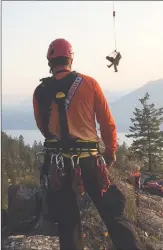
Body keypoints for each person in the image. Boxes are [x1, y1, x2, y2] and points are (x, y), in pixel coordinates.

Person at [33, 38, 144, 250]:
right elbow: (107, 124)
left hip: (59, 166)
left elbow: (43, 128)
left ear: (50, 61)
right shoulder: (89, 84)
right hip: (90, 162)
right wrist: (110, 153)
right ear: (70, 59)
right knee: (114, 213)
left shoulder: (40, 91)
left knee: (68, 223)